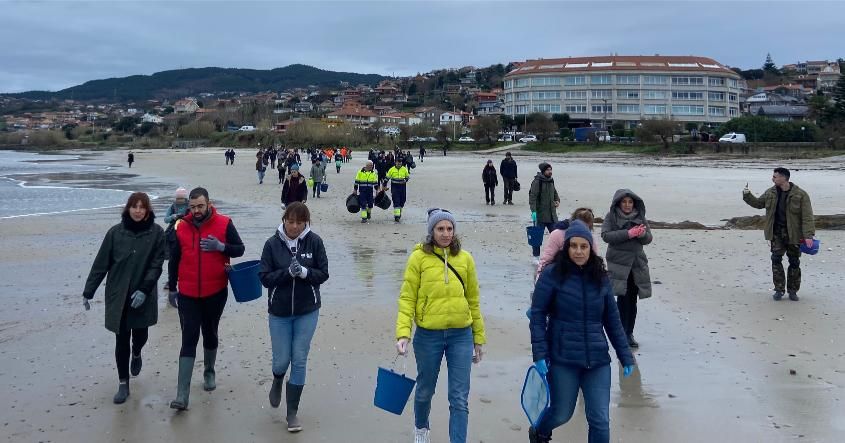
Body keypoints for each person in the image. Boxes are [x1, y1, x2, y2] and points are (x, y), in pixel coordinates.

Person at [528, 220, 636, 443]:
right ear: (566, 247)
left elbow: (612, 320)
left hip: (597, 361)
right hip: (563, 359)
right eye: (573, 246)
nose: (578, 251)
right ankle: (540, 432)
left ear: (590, 248)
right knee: (561, 413)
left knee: (600, 420)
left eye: (583, 246)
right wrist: (539, 353)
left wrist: (625, 356)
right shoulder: (552, 275)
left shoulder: (601, 277)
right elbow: (537, 315)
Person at [395, 208, 486, 443]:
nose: (446, 233)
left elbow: (473, 300)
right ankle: (421, 428)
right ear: (431, 231)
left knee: (459, 398)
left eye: (449, 228)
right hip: (428, 336)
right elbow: (407, 298)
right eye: (440, 229)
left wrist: (478, 338)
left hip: (461, 335)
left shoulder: (465, 259)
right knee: (425, 391)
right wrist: (403, 333)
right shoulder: (418, 258)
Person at [82, 192, 165, 404]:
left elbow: (156, 265)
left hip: (142, 295)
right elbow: (101, 264)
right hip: (118, 295)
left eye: (142, 207)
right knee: (121, 339)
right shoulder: (115, 233)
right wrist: (88, 291)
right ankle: (122, 384)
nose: (137, 211)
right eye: (134, 206)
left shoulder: (156, 233)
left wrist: (145, 290)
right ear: (127, 208)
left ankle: (137, 352)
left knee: (140, 335)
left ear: (147, 210)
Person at [167, 187, 245, 410]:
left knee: (210, 332)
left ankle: (209, 371)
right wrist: (172, 288)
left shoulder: (224, 223)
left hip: (215, 291)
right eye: (192, 207)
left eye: (200, 206)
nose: (196, 211)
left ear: (209, 203)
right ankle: (182, 395)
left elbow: (239, 249)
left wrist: (221, 247)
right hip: (188, 293)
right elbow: (173, 260)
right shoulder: (181, 226)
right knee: (188, 337)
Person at [258, 202, 329, 433]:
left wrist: (305, 272)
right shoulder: (271, 244)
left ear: (306, 222)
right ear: (284, 219)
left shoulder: (315, 242)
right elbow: (265, 278)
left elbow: (323, 273)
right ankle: (278, 379)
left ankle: (292, 413)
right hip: (279, 312)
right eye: (291, 221)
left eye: (300, 222)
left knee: (299, 358)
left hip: (307, 310)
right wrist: (287, 273)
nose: (295, 226)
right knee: (281, 360)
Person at [742, 167, 815, 301]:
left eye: (775, 176)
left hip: (794, 234)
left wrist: (808, 236)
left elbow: (807, 216)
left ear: (784, 178)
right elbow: (759, 203)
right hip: (776, 233)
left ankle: (793, 291)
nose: (773, 178)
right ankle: (779, 290)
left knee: (794, 262)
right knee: (776, 260)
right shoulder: (770, 192)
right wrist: (747, 195)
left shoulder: (801, 194)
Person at [601, 189, 652, 349]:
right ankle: (621, 332)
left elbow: (649, 238)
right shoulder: (611, 216)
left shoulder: (640, 216)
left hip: (637, 264)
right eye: (624, 202)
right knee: (622, 299)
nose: (627, 205)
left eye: (630, 202)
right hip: (618, 264)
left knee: (632, 300)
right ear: (618, 203)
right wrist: (628, 234)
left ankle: (629, 332)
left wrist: (641, 234)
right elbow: (606, 236)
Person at [536, 208, 600, 282]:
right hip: (559, 277)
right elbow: (546, 260)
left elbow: (594, 263)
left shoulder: (591, 239)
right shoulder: (558, 234)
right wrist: (539, 280)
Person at [163, 187, 190, 307]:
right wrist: (174, 216)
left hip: (187, 233)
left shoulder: (190, 206)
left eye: (182, 198)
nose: (179, 200)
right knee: (172, 260)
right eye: (178, 198)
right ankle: (171, 280)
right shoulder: (172, 206)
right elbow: (165, 219)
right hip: (172, 235)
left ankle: (184, 278)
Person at [528, 162, 561, 259]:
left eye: (551, 170)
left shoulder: (551, 180)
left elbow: (555, 193)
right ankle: (536, 257)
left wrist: (557, 201)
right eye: (548, 170)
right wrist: (533, 211)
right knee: (537, 238)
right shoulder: (537, 181)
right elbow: (532, 197)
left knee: (557, 236)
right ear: (543, 171)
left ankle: (558, 257)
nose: (550, 172)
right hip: (540, 215)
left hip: (552, 215)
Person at [385, 157, 410, 222]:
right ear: (395, 163)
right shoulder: (391, 170)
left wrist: (406, 180)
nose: (399, 164)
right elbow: (386, 178)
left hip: (402, 187)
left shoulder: (404, 169)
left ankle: (399, 211)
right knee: (396, 200)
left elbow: (407, 177)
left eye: (400, 163)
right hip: (395, 187)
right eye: (398, 163)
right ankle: (397, 216)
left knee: (403, 200)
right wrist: (384, 185)